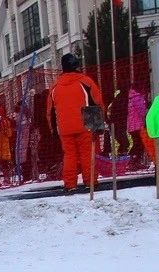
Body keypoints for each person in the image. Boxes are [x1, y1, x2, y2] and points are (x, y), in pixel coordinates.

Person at [46, 53, 104, 193]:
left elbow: (49, 112)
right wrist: (98, 126)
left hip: (64, 128)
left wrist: (53, 130)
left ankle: (70, 184)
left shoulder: (55, 86)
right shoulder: (85, 81)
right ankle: (90, 182)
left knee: (69, 155)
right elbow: (96, 103)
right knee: (87, 154)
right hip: (85, 124)